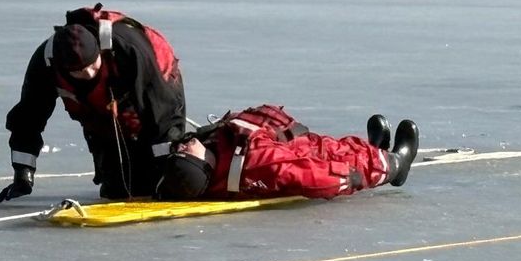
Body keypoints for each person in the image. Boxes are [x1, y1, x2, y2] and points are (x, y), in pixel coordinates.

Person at [0, 4, 187, 203]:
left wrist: (167, 173)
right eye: (78, 72)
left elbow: (163, 117)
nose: (88, 74)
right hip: (100, 112)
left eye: (92, 65)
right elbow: (28, 119)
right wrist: (23, 173)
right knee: (116, 190)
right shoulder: (44, 66)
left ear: (100, 52)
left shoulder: (128, 51)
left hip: (157, 82)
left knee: (158, 176)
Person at [153, 105, 419, 202]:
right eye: (184, 153)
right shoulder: (258, 165)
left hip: (291, 144)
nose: (182, 146)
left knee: (331, 145)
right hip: (307, 155)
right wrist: (365, 173)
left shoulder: (213, 149)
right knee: (339, 155)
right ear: (202, 166)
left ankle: (374, 147)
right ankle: (393, 164)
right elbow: (313, 177)